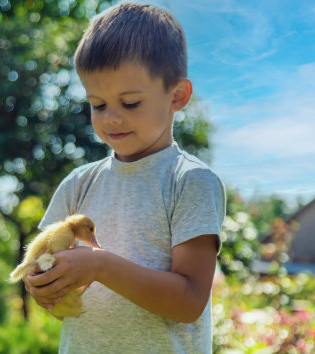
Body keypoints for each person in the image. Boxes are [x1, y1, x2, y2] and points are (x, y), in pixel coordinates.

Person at [23, 2, 226, 353]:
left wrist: (100, 265)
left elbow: (190, 302)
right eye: (98, 104)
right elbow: (43, 261)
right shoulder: (78, 183)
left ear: (177, 96)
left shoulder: (190, 182)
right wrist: (42, 282)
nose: (111, 119)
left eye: (130, 103)